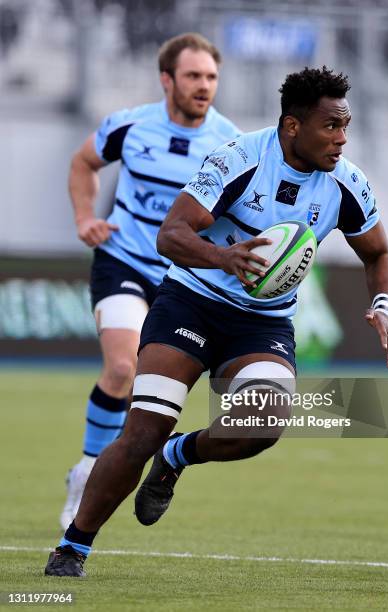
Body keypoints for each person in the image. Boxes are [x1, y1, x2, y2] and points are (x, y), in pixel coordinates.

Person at [46, 66, 388, 577]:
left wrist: (382, 305)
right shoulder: (239, 159)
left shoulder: (346, 183)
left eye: (346, 126)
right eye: (330, 126)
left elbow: (380, 253)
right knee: (143, 430)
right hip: (191, 303)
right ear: (292, 126)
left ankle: (177, 456)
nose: (342, 139)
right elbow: (172, 233)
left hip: (262, 324)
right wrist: (224, 259)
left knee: (263, 423)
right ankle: (72, 546)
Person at [59, 32, 240, 531]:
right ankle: (87, 472)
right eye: (193, 76)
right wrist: (83, 219)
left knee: (150, 386)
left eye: (211, 77)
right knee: (120, 367)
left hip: (181, 279)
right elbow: (83, 163)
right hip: (122, 262)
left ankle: (137, 463)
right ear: (167, 80)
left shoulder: (229, 142)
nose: (204, 86)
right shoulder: (131, 125)